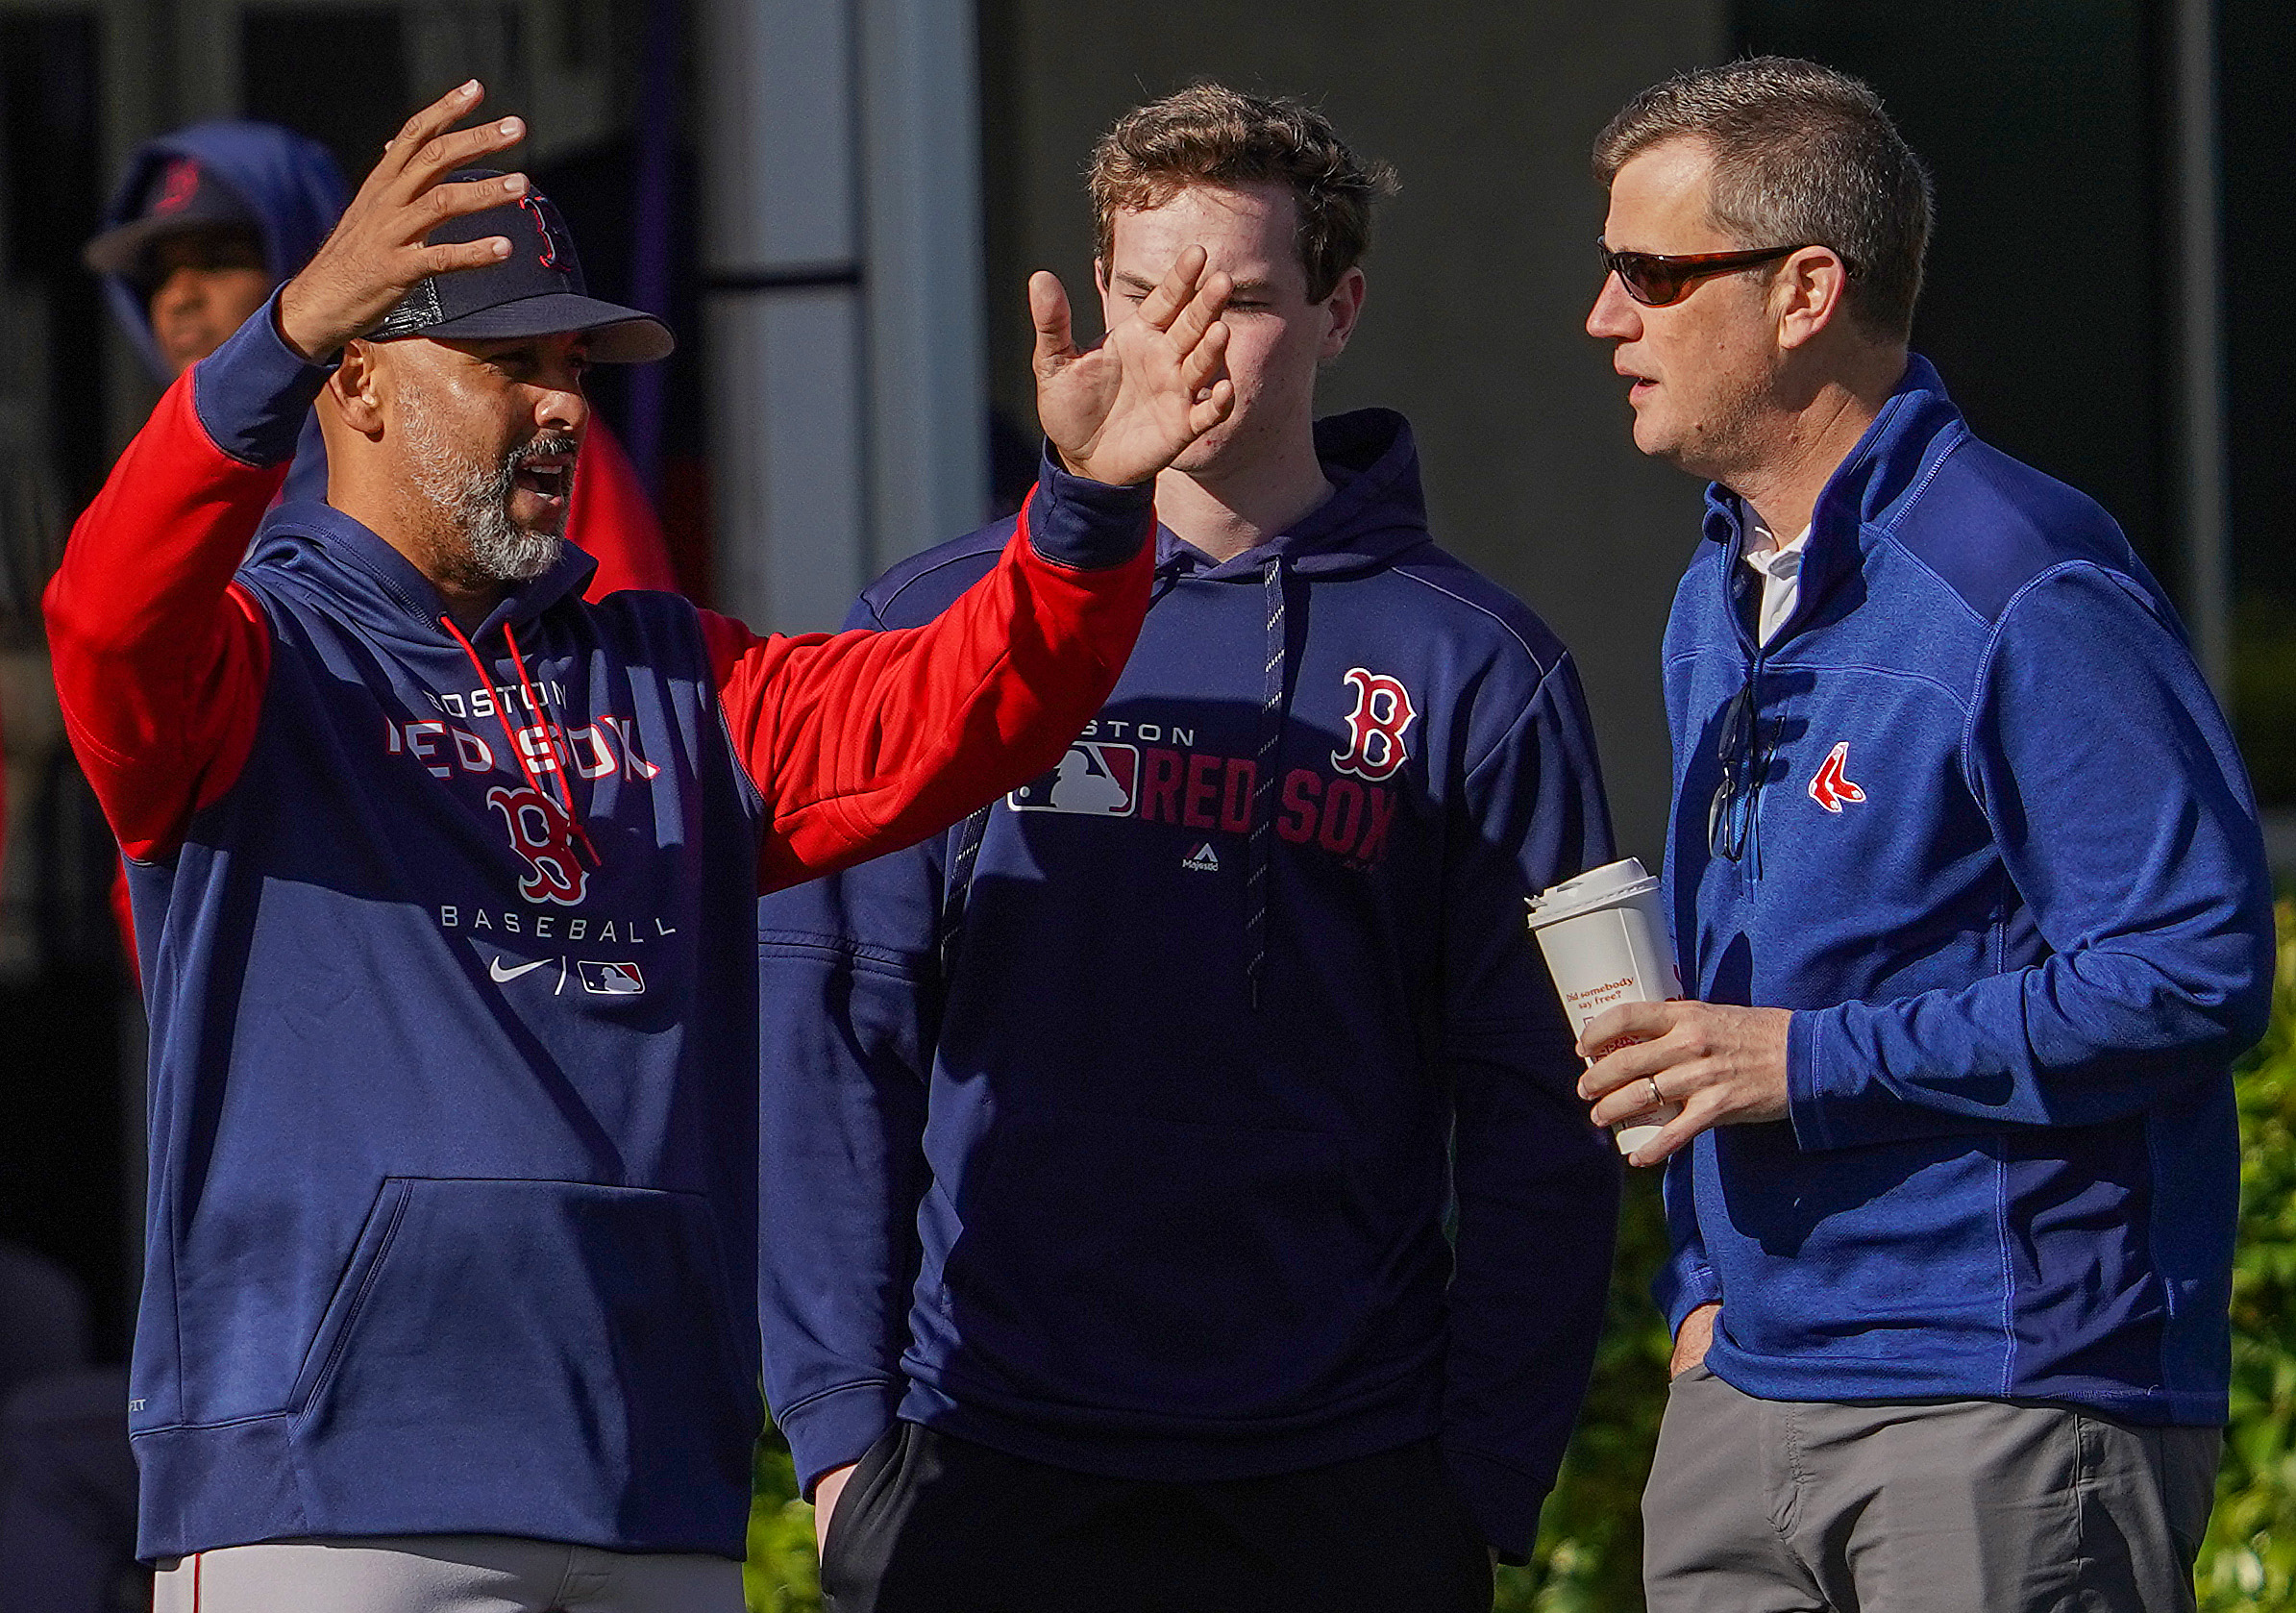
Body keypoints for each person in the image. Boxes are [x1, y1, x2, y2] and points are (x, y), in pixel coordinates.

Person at [43, 80, 1236, 1611]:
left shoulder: (677, 672)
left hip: (644, 1478)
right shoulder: (254, 662)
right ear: (357, 386)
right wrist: (268, 337)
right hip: (326, 1489)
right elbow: (106, 611)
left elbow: (958, 710)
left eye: (572, 365)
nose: (560, 405)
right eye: (506, 362)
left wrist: (1084, 511)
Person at [757, 84, 1621, 1613]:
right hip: (984, 1455)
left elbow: (1543, 1107)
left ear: (1341, 308)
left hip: (1345, 1475)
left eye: (1242, 299)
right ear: (1099, 298)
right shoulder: (940, 625)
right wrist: (841, 1446)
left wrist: (1478, 1481)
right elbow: (834, 1034)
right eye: (1148, 294)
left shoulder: (1476, 669)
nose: (1184, 344)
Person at [1575, 57, 2275, 1612]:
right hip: (1743, 1384)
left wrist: (1801, 1061)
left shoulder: (2017, 576)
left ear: (1803, 288)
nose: (1603, 318)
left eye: (1651, 272)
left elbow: (2186, 970)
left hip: (1999, 1393)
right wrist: (1699, 1300)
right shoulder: (1714, 595)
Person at [86, 117, 675, 591]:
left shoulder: (521, 425)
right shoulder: (167, 487)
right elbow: (107, 632)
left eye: (219, 258)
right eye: (158, 276)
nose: (180, 299)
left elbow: (623, 678)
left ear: (313, 259)